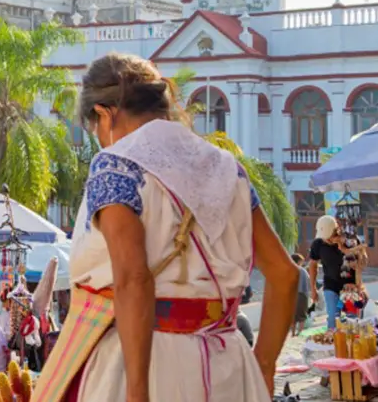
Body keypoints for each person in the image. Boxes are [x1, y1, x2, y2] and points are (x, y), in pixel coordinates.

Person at [35, 53, 297, 402]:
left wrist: (138, 392)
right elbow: (285, 274)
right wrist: (264, 365)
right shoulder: (229, 170)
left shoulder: (116, 165)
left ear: (104, 114)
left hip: (140, 364)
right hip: (230, 365)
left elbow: (133, 279)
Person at [290, 253, 311, 336]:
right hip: (302, 294)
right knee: (302, 315)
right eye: (302, 261)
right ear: (298, 261)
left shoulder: (289, 269)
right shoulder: (302, 270)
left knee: (293, 315)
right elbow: (308, 281)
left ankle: (292, 333)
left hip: (291, 295)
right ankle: (300, 333)